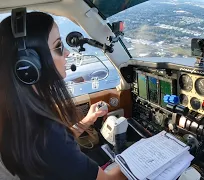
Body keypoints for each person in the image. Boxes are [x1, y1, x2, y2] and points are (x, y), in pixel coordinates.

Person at [0, 11, 127, 180]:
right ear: (29, 64)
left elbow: (58, 147)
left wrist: (88, 120)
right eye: (58, 46)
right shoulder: (44, 133)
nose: (66, 53)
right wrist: (139, 157)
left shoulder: (17, 112)